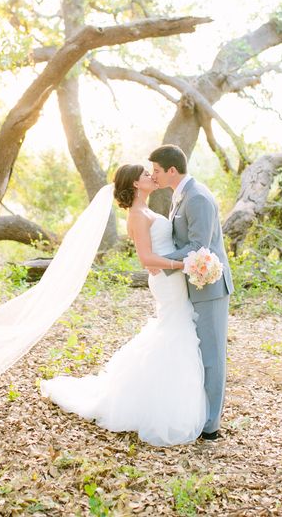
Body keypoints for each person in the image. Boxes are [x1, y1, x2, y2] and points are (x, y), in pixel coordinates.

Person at [40, 164, 208, 446]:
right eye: (145, 175)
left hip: (172, 278)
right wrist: (181, 264)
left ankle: (162, 394)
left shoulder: (149, 210)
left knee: (174, 330)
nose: (151, 177)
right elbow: (146, 259)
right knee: (174, 331)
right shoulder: (137, 216)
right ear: (134, 184)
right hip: (166, 279)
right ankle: (159, 404)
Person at [148, 144, 233, 441]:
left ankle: (211, 426)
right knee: (195, 354)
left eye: (157, 170)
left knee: (212, 356)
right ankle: (198, 413)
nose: (153, 175)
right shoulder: (179, 195)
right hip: (191, 287)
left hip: (209, 288)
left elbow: (200, 248)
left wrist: (163, 262)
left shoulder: (197, 198)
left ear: (172, 170)